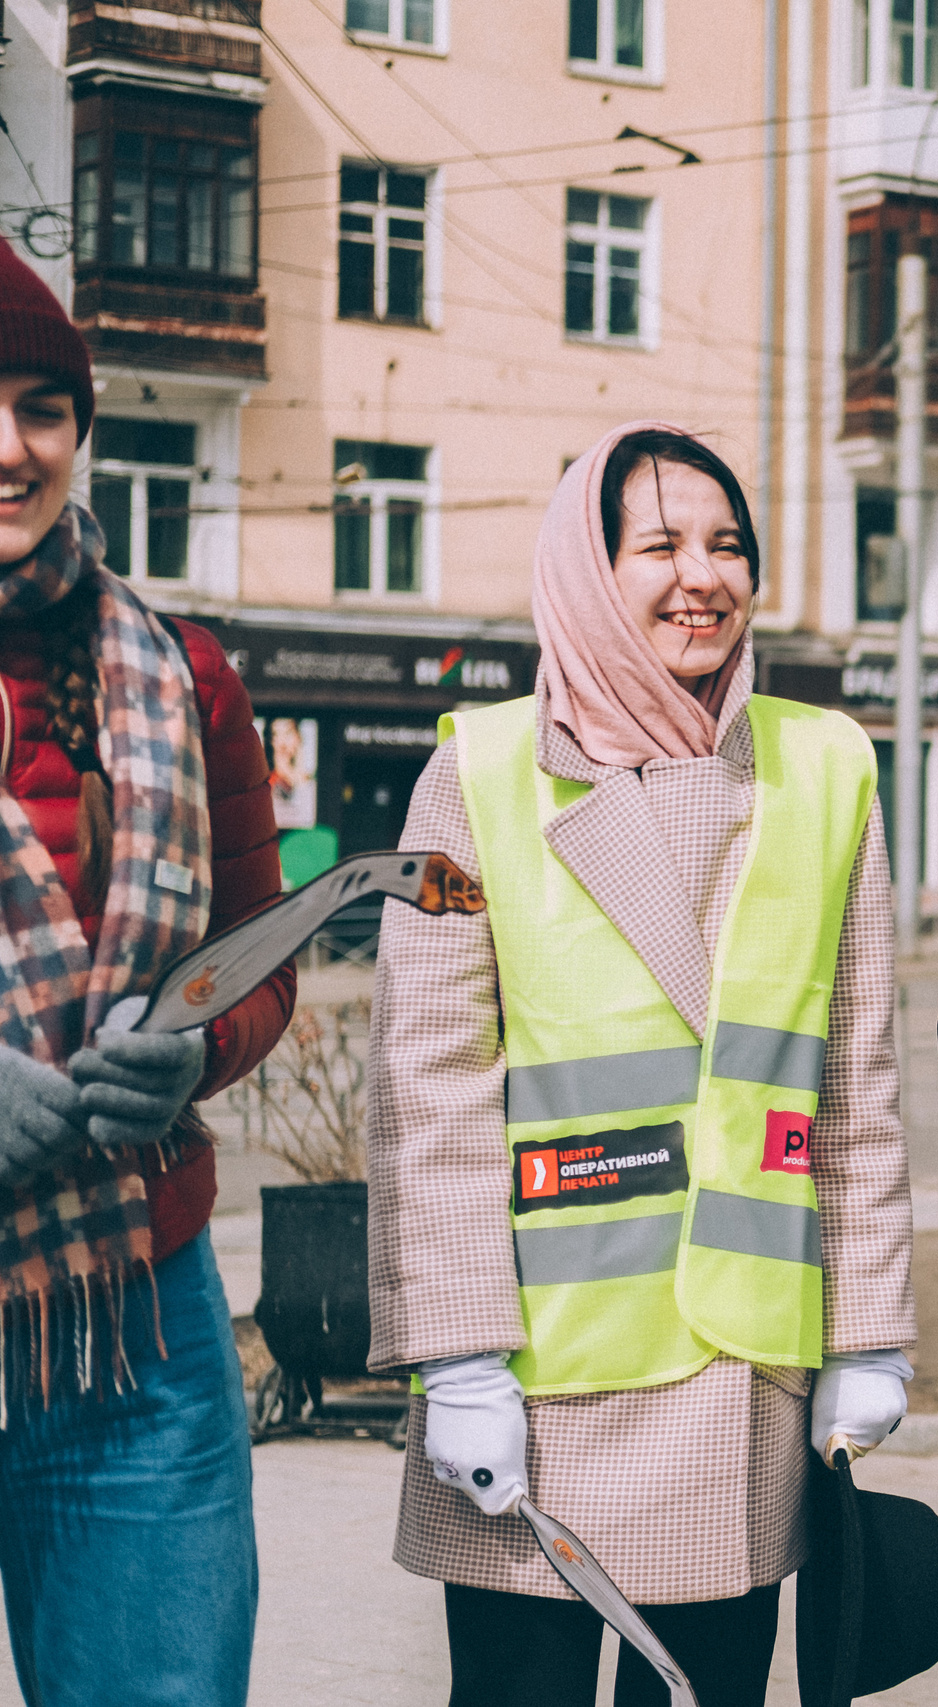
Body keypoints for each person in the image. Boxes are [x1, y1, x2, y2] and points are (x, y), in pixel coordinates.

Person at [365, 423, 916, 1707]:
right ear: (585, 570)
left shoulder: (824, 764)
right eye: (658, 545)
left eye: (728, 545)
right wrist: (455, 1361)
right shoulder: (479, 774)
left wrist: (872, 1334)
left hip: (738, 1372)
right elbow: (428, 1094)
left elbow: (859, 1090)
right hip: (532, 1385)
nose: (702, 577)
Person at [0, 237, 293, 1707]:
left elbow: (262, 958)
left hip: (132, 1315)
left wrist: (198, 1045)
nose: (10, 446)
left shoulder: (183, 673)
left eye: (41, 407)